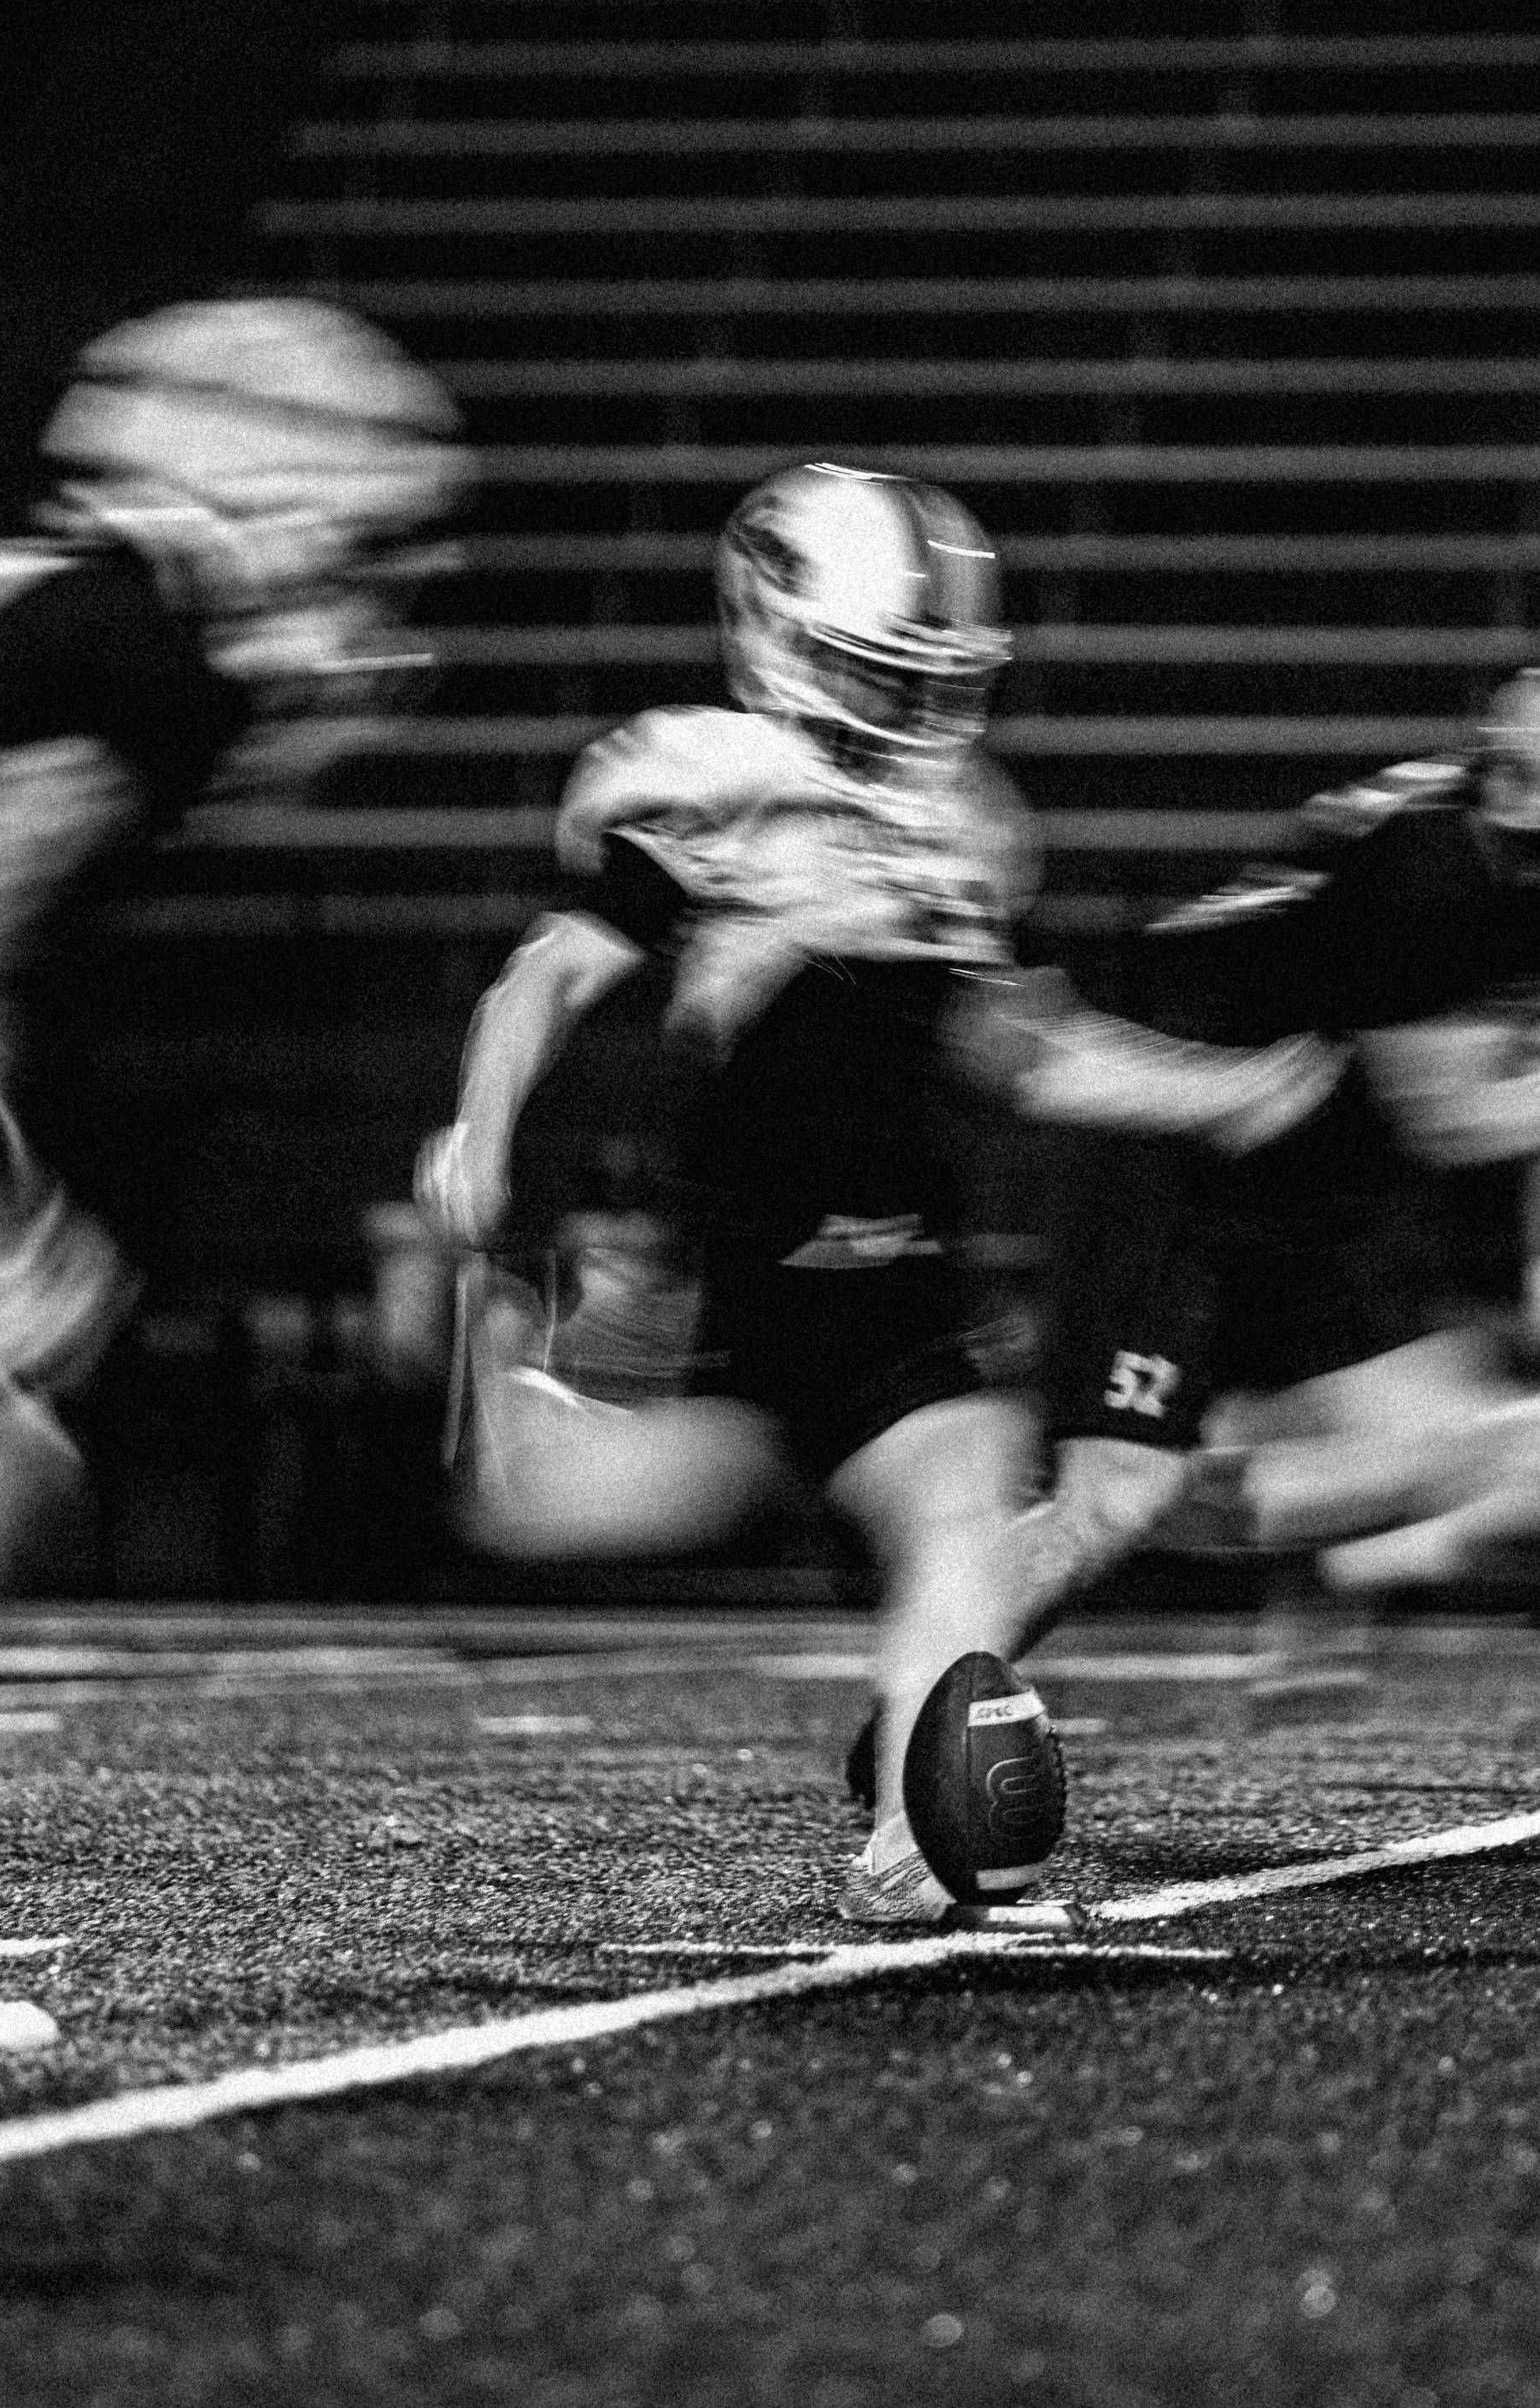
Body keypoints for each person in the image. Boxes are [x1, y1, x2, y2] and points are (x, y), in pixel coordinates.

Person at [413, 460, 1061, 1928]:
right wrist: (481, 1123)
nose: (907, 714)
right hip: (767, 1239)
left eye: (922, 679)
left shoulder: (970, 820)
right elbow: (554, 965)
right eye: (873, 673)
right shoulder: (711, 776)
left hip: (902, 1228)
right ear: (777, 638)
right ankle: (914, 1761)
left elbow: (994, 1036)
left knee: (964, 1490)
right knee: (553, 1507)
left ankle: (916, 1813)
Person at [929, 650, 1540, 1681]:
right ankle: (929, 1700)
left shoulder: (1500, 852)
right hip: (1190, 1164)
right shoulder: (1444, 875)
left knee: (1452, 1446)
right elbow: (1452, 1122)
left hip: (1308, 1174)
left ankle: (1144, 1512)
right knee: (1116, 1499)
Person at [0, 293, 468, 1581]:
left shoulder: (68, 611)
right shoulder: (139, 661)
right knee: (2, 1444)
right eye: (368, 545)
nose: (372, 592)